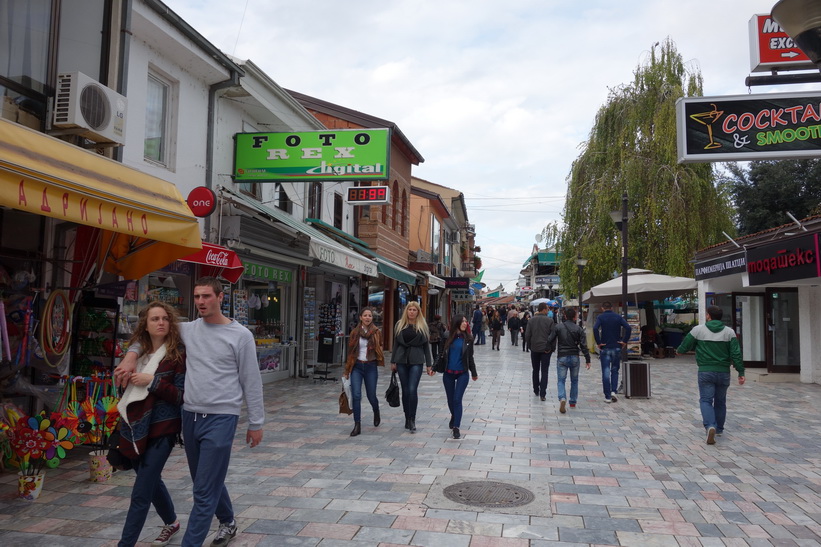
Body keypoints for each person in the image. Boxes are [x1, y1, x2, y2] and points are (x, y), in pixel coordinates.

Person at [116, 277, 264, 547]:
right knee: (204, 478)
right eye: (196, 297)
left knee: (203, 490)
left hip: (222, 417)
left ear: (221, 298)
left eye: (206, 296)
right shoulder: (187, 330)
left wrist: (256, 422)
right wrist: (131, 355)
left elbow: (251, 381)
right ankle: (228, 520)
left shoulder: (241, 336)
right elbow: (149, 333)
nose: (200, 302)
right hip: (190, 417)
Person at [117, 302, 185, 547]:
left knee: (141, 491)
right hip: (134, 428)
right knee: (151, 479)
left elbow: (181, 395)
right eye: (155, 319)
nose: (161, 323)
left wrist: (152, 381)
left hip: (163, 430)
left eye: (165, 318)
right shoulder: (138, 354)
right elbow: (126, 393)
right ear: (145, 325)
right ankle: (172, 522)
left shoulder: (177, 355)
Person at [676, 305, 745, 445]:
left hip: (706, 371)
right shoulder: (729, 332)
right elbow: (736, 354)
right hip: (724, 372)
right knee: (720, 401)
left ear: (708, 316)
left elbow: (685, 346)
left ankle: (710, 426)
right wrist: (740, 372)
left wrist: (679, 351)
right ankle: (719, 429)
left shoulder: (698, 330)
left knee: (706, 400)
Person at [428, 314, 478, 439]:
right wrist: (434, 367)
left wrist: (474, 372)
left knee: (457, 399)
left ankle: (456, 427)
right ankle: (454, 415)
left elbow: (470, 357)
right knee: (450, 400)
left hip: (463, 373)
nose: (465, 323)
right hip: (448, 373)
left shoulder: (469, 339)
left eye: (466, 321)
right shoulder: (446, 337)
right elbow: (440, 354)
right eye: (463, 321)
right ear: (456, 323)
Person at [390, 301, 432, 433]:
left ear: (418, 312)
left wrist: (429, 364)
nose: (412, 312)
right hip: (402, 360)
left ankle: (412, 419)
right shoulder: (400, 325)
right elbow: (396, 344)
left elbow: (426, 346)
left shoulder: (422, 326)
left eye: (414, 310)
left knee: (413, 389)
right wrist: (393, 361)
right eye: (410, 309)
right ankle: (407, 417)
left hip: (416, 360)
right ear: (406, 311)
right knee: (405, 389)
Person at [343, 307, 385, 437]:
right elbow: (350, 353)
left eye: (370, 316)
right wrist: (347, 370)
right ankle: (357, 424)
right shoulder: (355, 332)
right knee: (356, 395)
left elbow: (381, 347)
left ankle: (376, 410)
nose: (368, 318)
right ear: (360, 317)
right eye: (365, 315)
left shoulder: (377, 332)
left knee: (371, 395)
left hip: (371, 366)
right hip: (357, 367)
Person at [547, 308, 591, 413]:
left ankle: (562, 398)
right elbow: (584, 345)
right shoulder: (579, 329)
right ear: (575, 317)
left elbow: (550, 339)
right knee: (574, 380)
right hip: (575, 356)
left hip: (562, 356)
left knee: (561, 380)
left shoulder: (558, 327)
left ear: (565, 316)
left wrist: (549, 349)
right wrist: (587, 359)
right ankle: (572, 401)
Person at [592, 301, 631, 404]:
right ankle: (614, 391)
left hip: (605, 347)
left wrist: (599, 342)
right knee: (615, 370)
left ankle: (608, 396)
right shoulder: (617, 317)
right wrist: (624, 341)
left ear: (602, 308)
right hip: (616, 346)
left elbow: (595, 328)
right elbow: (628, 327)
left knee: (606, 372)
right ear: (612, 308)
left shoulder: (601, 317)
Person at [524, 302, 556, 401]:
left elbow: (527, 335)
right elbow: (553, 336)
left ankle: (536, 389)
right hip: (546, 349)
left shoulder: (531, 320)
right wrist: (552, 348)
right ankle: (543, 393)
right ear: (544, 309)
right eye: (547, 309)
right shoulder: (550, 321)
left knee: (535, 369)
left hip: (535, 348)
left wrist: (529, 346)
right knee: (545, 371)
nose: (548, 310)